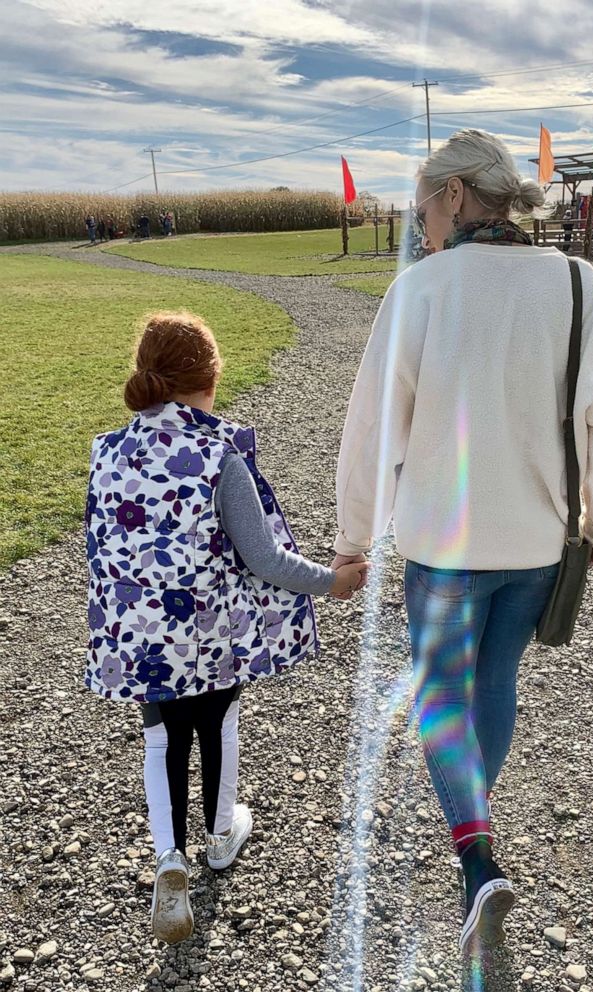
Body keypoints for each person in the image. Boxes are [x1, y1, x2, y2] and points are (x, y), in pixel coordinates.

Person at [331, 128, 593, 955]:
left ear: (458, 196)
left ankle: (476, 859)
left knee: (440, 694)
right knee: (494, 681)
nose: (420, 224)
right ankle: (473, 819)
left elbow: (373, 428)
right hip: (537, 542)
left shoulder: (422, 291)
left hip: (441, 542)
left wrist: (352, 536)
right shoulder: (580, 285)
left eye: (422, 206)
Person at [84, 312, 368, 945]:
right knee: (219, 722)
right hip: (206, 635)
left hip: (139, 639)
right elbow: (263, 558)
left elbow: (101, 548)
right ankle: (218, 839)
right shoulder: (217, 456)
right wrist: (334, 580)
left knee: (161, 740)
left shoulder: (106, 451)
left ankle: (168, 859)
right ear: (211, 378)